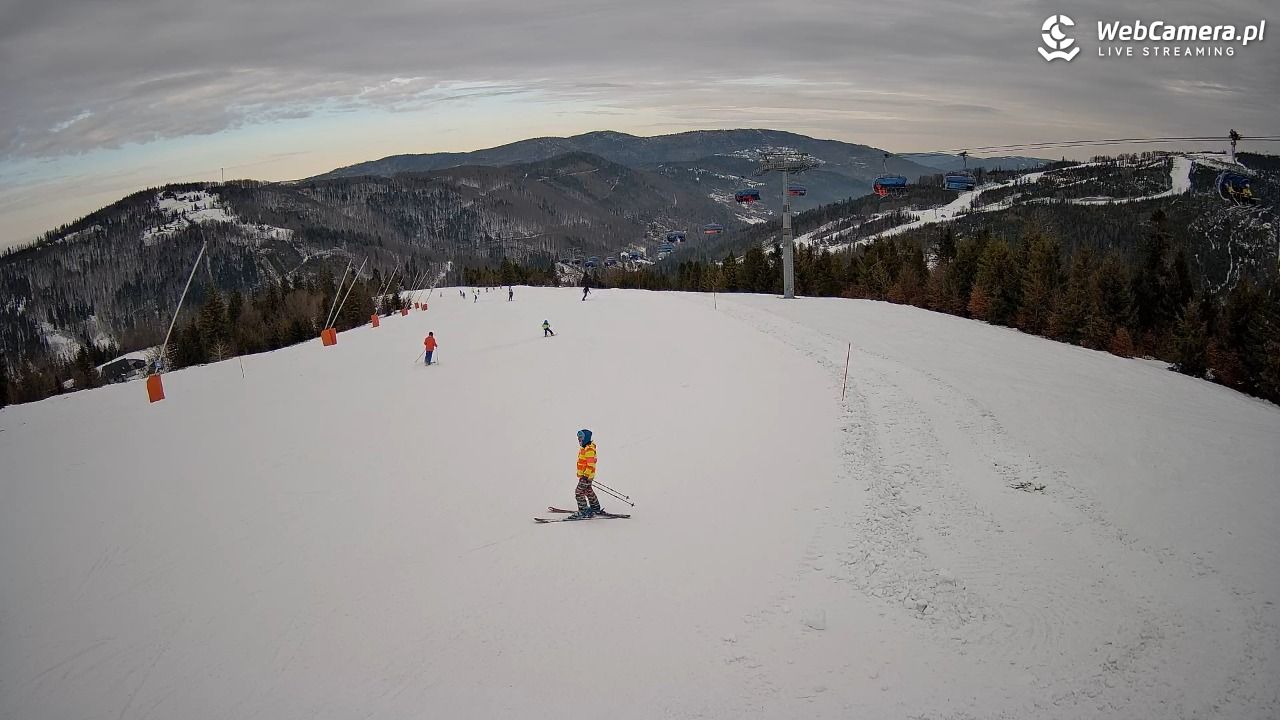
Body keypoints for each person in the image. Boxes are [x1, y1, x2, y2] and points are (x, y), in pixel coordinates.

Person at [569, 428, 603, 518]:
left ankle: (583, 510)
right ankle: (595, 507)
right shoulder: (585, 448)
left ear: (586, 438)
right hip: (586, 476)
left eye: (581, 438)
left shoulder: (589, 450)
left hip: (586, 476)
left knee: (579, 492)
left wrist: (585, 475)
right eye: (578, 438)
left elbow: (590, 464)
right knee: (588, 490)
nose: (579, 440)